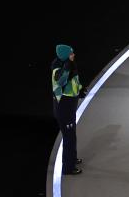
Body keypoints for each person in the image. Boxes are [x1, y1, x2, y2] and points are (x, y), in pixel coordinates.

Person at [51, 43, 86, 176]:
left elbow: (74, 81)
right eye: (71, 53)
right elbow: (61, 81)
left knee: (72, 135)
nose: (73, 55)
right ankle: (68, 168)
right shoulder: (59, 69)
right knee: (68, 137)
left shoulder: (70, 64)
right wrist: (67, 67)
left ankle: (72, 158)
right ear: (66, 56)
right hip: (64, 108)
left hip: (69, 106)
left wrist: (80, 89)